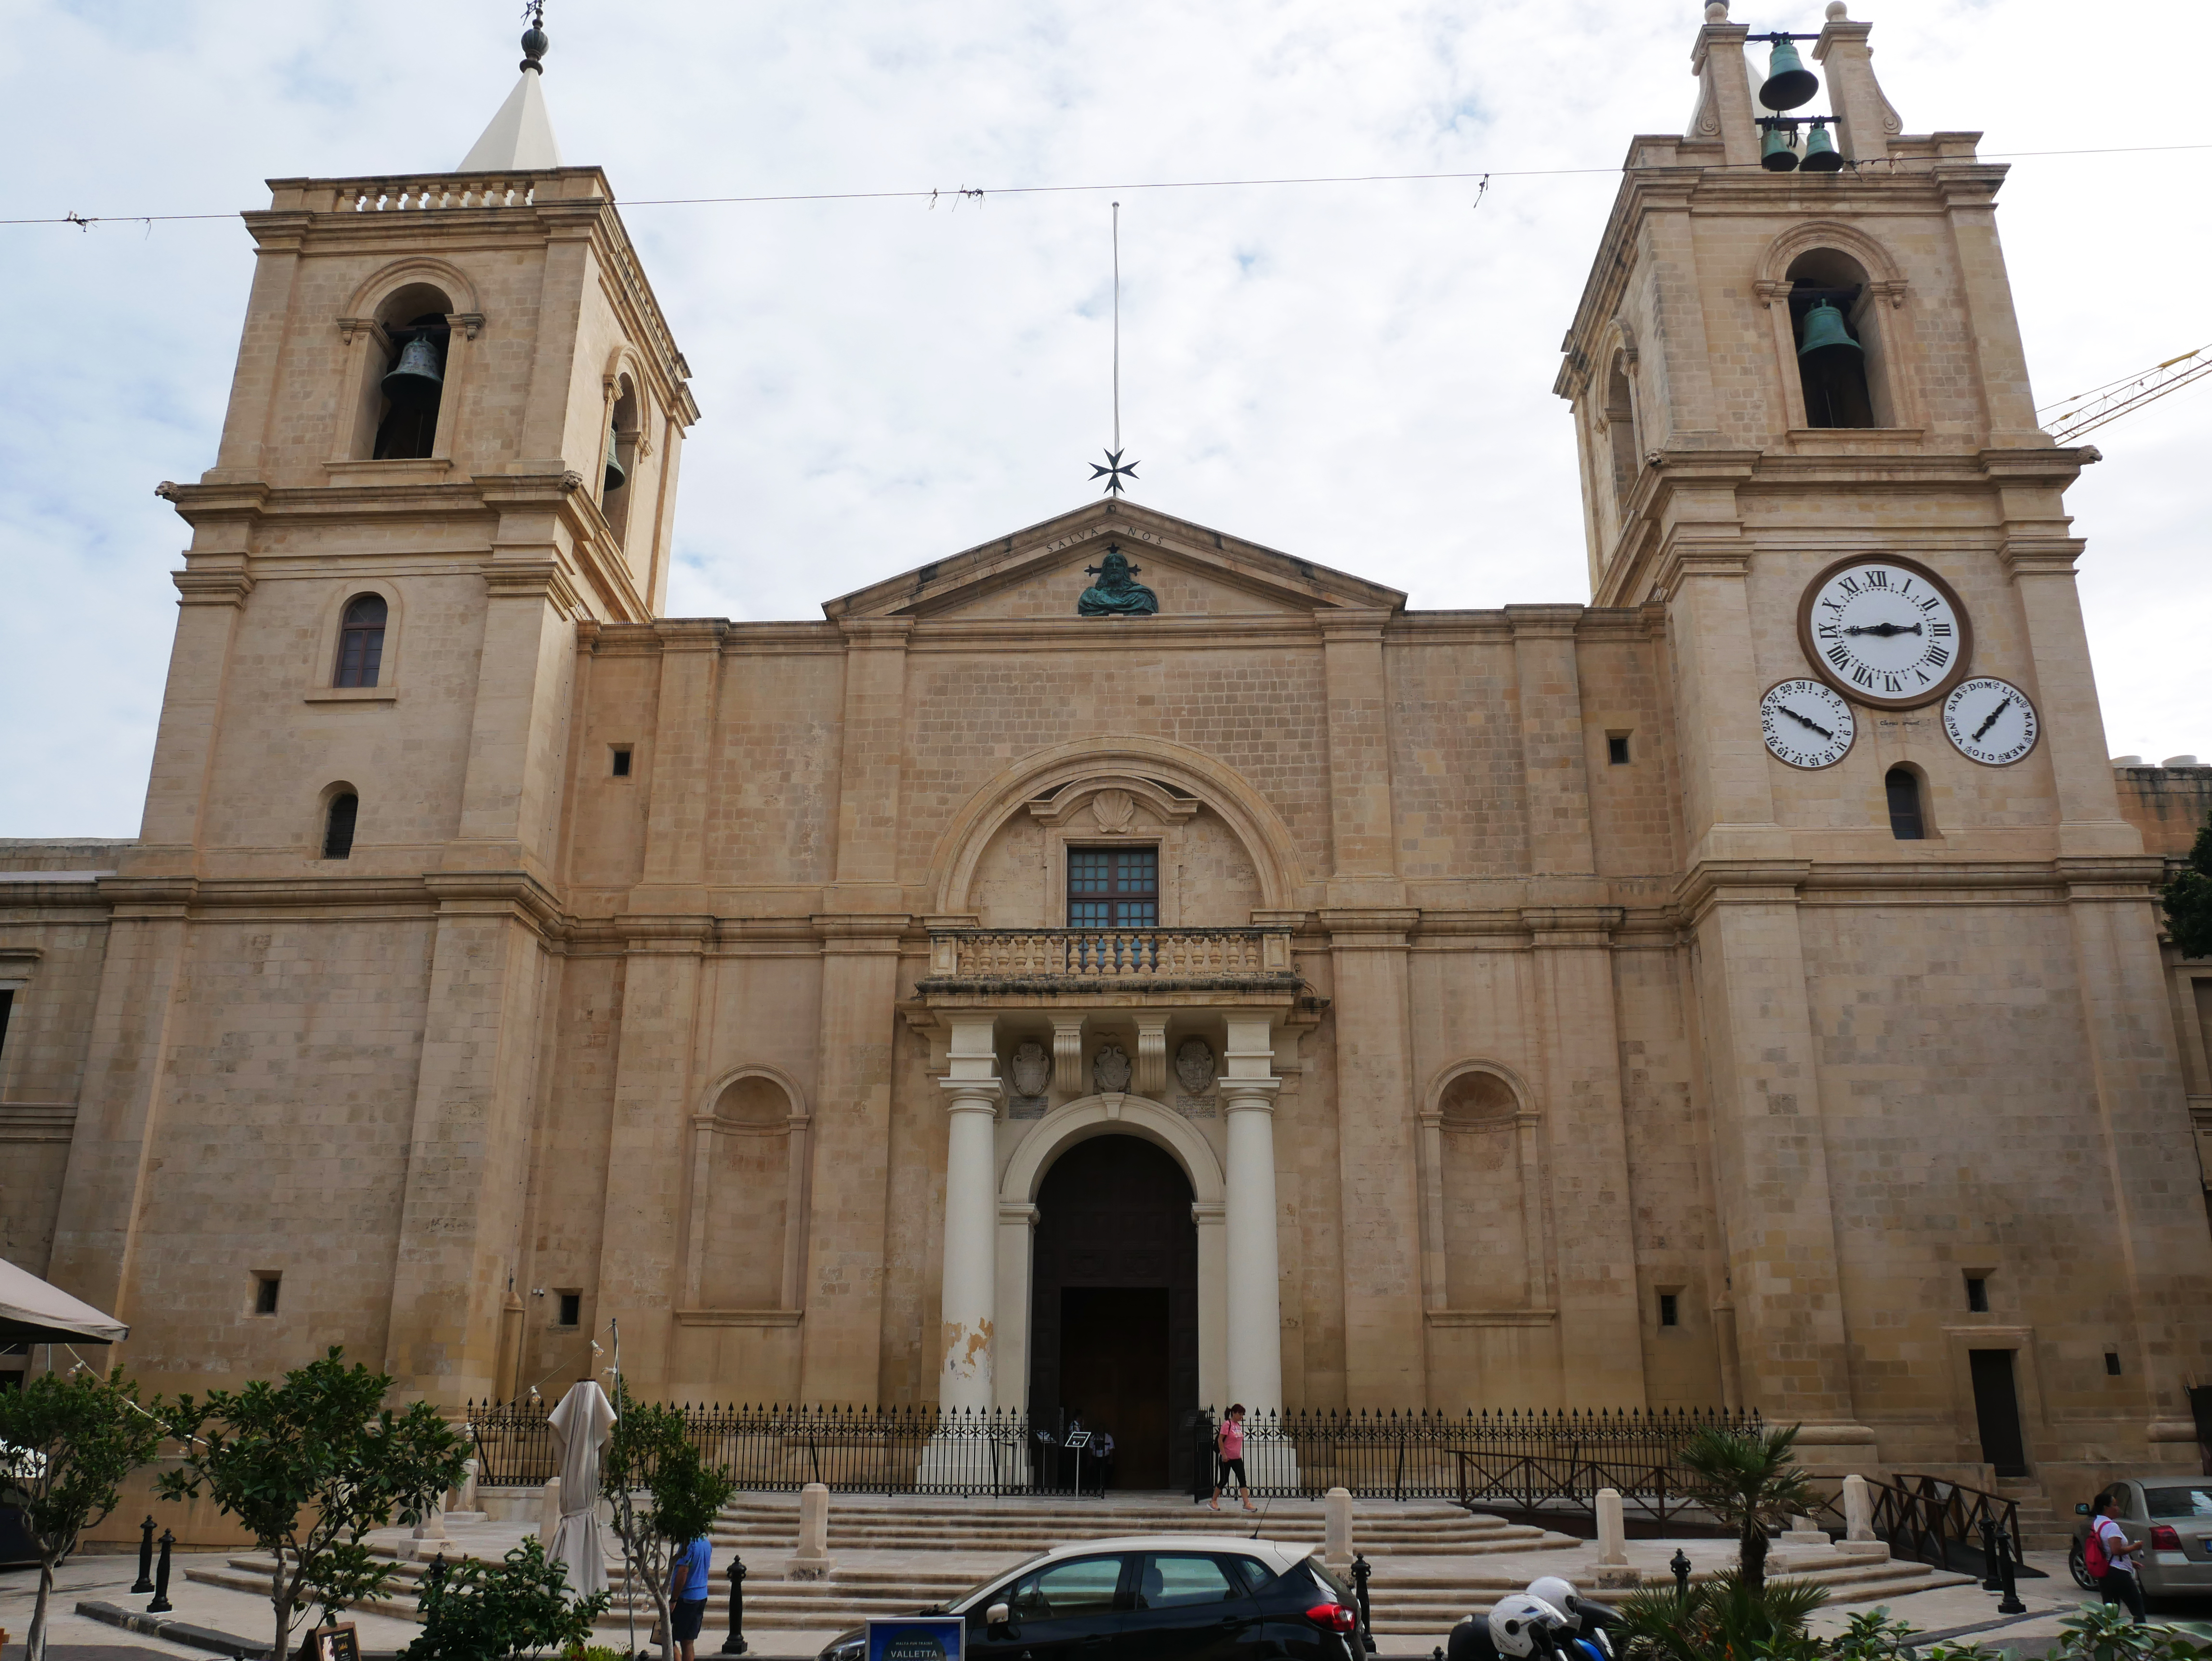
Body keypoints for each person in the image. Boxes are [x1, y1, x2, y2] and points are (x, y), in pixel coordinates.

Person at [2089, 1488, 2146, 1623]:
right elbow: (2116, 1550)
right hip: (2119, 1574)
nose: (2118, 1508)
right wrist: (2135, 1547)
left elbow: (2106, 1550)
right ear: (2106, 1508)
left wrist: (2130, 1562)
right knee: (2137, 1608)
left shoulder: (2097, 1523)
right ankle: (2141, 1638)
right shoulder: (2112, 1526)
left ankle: (2108, 1640)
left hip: (2105, 1573)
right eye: (2115, 1505)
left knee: (2111, 1613)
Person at [666, 1531, 715, 1661]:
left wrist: (674, 1599)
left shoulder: (688, 1544)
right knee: (688, 1642)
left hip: (686, 1597)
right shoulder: (706, 1542)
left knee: (667, 1638)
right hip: (701, 1596)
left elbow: (683, 1572)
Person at [1210, 1403, 1256, 1514]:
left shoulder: (1238, 1426)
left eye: (1243, 1415)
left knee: (1242, 1479)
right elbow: (1220, 1440)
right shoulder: (1227, 1425)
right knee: (1224, 1480)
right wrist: (1224, 1454)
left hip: (1237, 1458)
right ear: (1234, 1413)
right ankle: (1213, 1501)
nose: (1242, 1417)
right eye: (1240, 1414)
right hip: (1227, 1458)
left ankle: (1246, 1503)